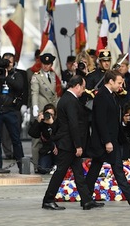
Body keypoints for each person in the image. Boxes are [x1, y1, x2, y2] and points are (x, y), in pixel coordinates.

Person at [86, 70, 130, 207]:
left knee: (116, 168)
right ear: (110, 82)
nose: (121, 86)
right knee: (96, 170)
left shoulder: (111, 95)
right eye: (119, 83)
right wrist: (107, 141)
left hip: (111, 139)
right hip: (105, 141)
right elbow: (101, 121)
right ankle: (86, 198)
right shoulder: (102, 96)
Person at [42, 75, 103, 210]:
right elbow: (73, 124)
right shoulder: (69, 101)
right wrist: (78, 145)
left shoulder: (69, 99)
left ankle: (86, 200)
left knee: (79, 173)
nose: (84, 90)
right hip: (69, 144)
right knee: (60, 173)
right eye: (83, 87)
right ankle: (48, 199)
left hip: (69, 143)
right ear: (77, 86)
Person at [0, 52, 24, 172]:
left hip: (11, 111)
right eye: (4, 61)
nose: (6, 64)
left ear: (13, 63)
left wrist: (6, 77)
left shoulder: (17, 74)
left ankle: (22, 165)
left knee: (15, 139)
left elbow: (19, 87)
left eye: (9, 62)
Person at [30, 53, 61, 172]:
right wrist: (35, 107)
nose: (46, 66)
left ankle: (55, 161)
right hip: (42, 109)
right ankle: (38, 165)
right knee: (37, 139)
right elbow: (35, 92)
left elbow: (55, 93)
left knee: (54, 135)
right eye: (44, 64)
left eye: (48, 64)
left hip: (53, 109)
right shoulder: (37, 76)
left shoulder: (53, 75)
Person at [28, 103, 58, 174]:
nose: (49, 116)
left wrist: (52, 124)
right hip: (47, 150)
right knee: (42, 169)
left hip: (58, 149)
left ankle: (55, 165)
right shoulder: (42, 124)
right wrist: (38, 121)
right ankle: (51, 167)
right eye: (48, 114)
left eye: (52, 114)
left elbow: (59, 135)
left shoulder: (58, 122)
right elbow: (32, 133)